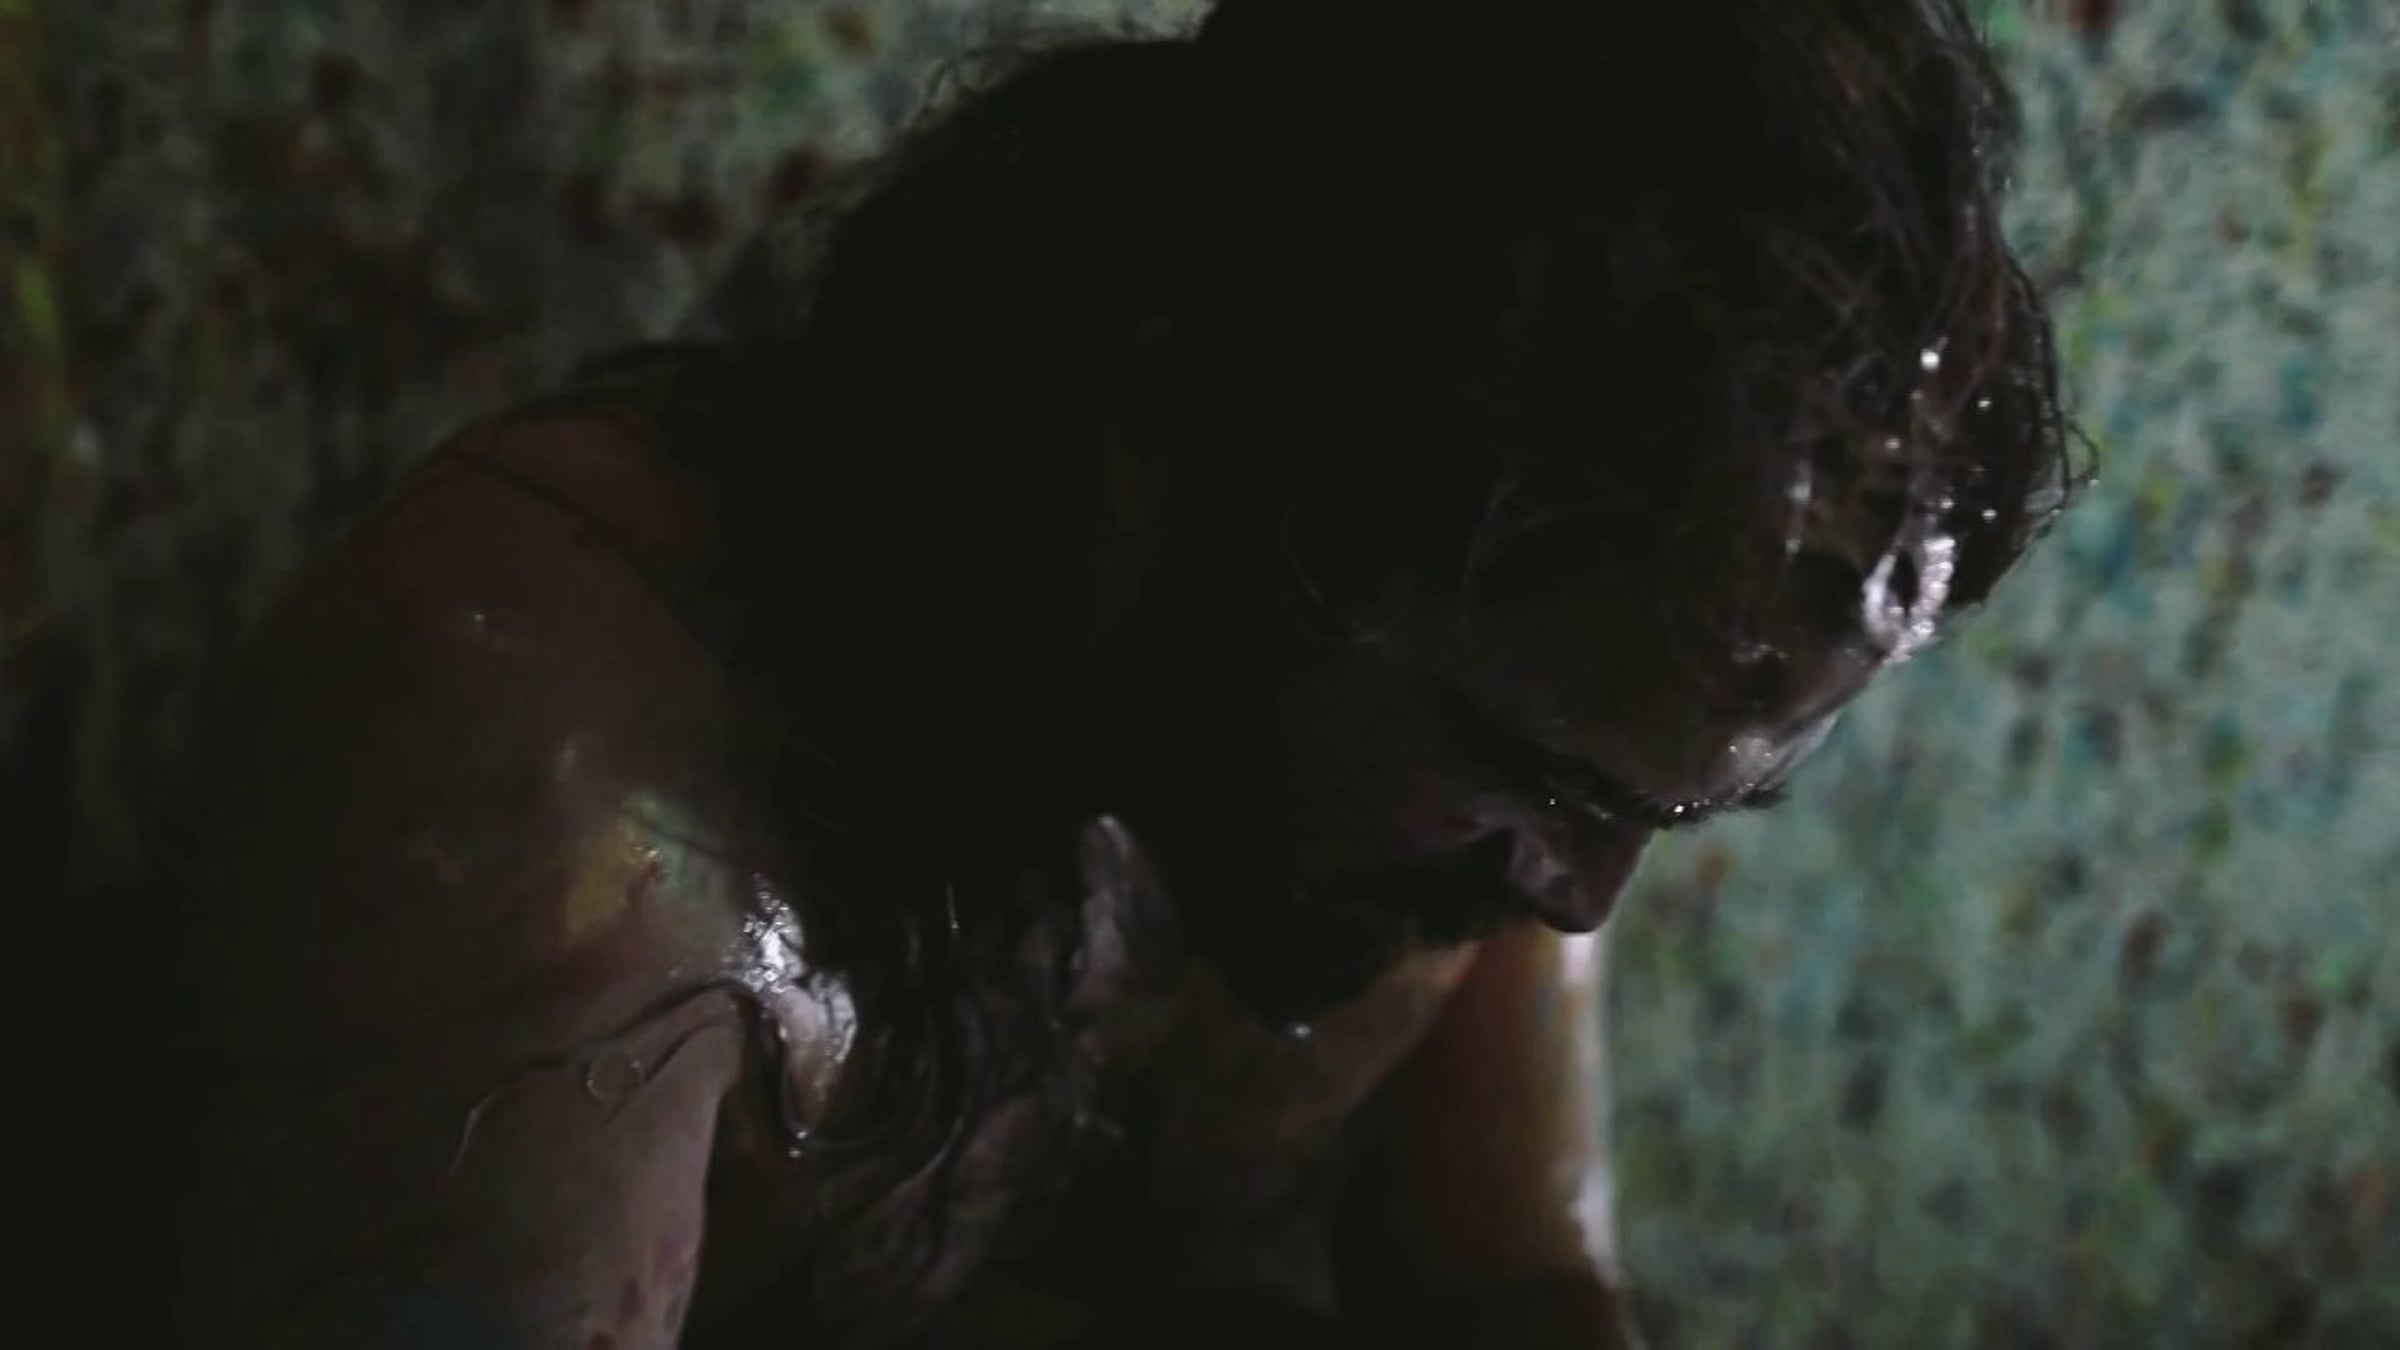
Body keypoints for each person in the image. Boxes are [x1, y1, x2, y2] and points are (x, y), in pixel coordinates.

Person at [167, 0, 2076, 1345]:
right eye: (1538, 771)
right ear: (1175, 439)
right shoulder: (553, 787)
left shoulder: (1481, 729)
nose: (1577, 892)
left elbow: (1510, 1288)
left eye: (1658, 806)